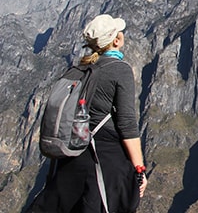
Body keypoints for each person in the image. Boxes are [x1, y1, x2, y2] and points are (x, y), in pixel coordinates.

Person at [29, 14, 148, 212]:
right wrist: (139, 169)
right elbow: (127, 123)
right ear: (116, 40)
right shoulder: (120, 69)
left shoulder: (80, 70)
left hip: (72, 159)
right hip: (105, 163)